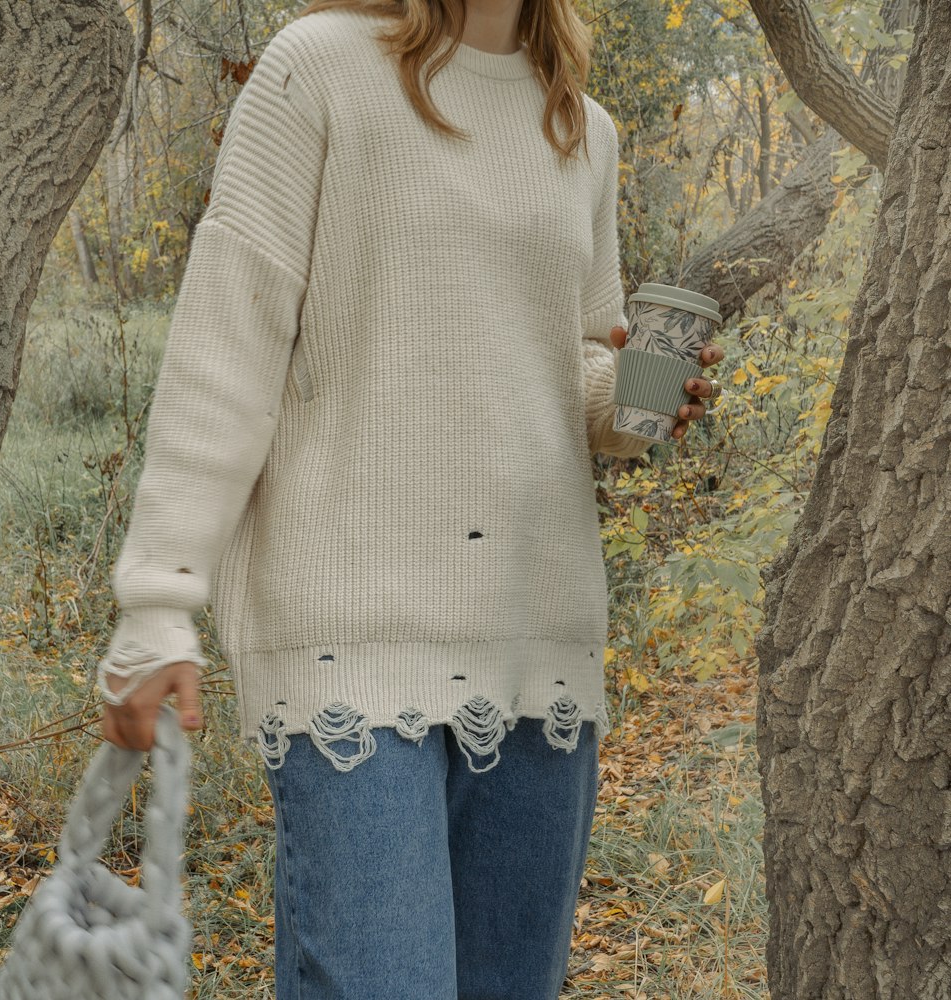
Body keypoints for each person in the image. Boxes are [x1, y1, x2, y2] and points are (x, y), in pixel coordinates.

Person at [97, 0, 724, 996]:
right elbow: (229, 335)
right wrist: (159, 594)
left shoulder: (582, 128)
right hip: (352, 634)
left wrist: (645, 395)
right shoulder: (321, 69)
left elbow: (576, 364)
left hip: (537, 640)